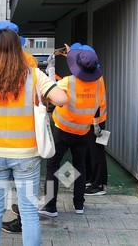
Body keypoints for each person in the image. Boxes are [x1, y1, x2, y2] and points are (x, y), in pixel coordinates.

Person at [0, 28, 67, 246]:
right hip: (27, 155)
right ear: (19, 48)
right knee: (28, 211)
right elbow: (61, 99)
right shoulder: (34, 76)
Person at [40, 43, 107, 217]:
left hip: (62, 130)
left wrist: (51, 71)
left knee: (52, 166)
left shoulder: (66, 82)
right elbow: (98, 107)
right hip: (83, 132)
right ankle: (79, 205)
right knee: (80, 167)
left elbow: (50, 96)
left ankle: (50, 206)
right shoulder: (98, 84)